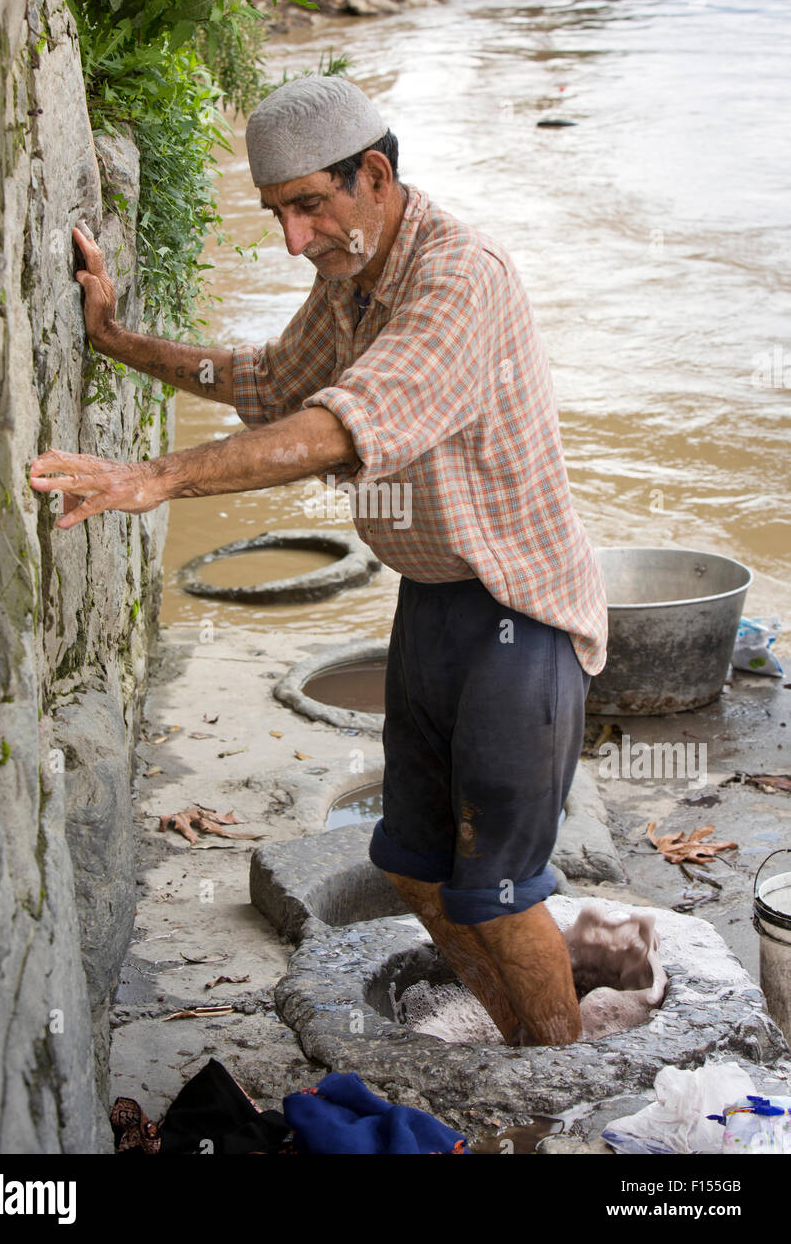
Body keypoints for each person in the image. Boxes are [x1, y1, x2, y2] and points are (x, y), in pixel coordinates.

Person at [30, 75, 608, 1046]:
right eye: (277, 215)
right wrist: (115, 338)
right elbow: (264, 381)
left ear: (373, 175)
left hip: (524, 610)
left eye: (308, 206)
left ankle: (556, 1081)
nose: (294, 239)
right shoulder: (347, 280)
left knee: (498, 891)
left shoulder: (457, 277)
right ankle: (513, 1038)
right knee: (417, 866)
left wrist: (157, 476)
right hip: (429, 602)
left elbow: (342, 428)